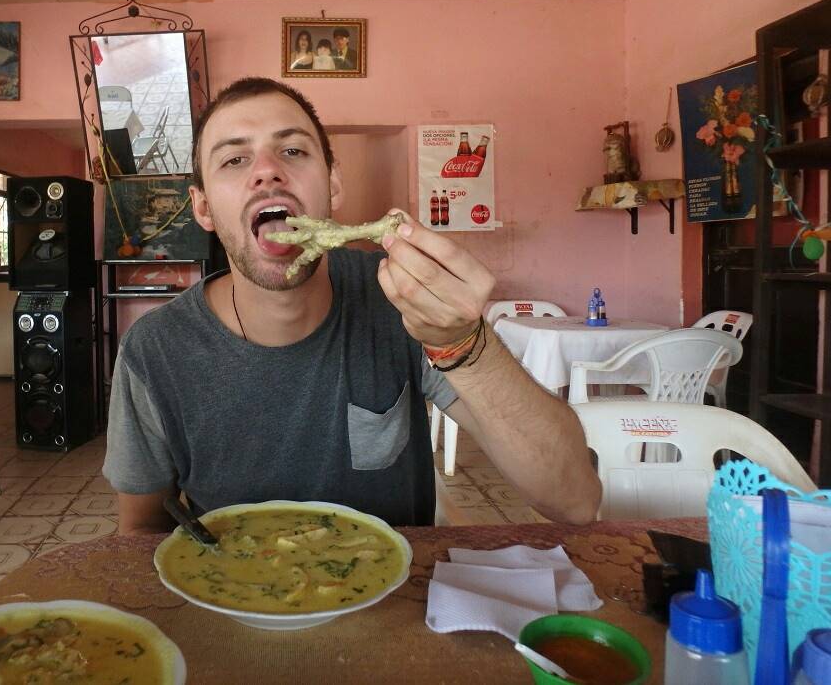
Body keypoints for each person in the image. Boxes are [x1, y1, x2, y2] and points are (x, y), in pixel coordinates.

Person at [104, 77, 601, 533]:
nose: (268, 172)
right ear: (204, 208)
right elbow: (141, 534)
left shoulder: (399, 302)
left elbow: (575, 501)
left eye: (293, 150)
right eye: (234, 160)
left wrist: (465, 344)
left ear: (334, 184)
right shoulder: (155, 351)